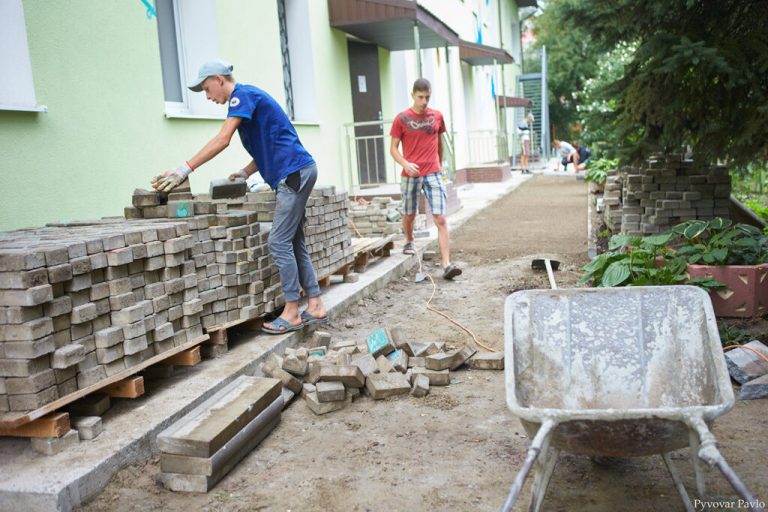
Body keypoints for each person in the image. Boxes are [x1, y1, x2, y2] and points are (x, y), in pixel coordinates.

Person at [151, 59, 327, 334]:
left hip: (294, 173)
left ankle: (292, 312)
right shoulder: (250, 100)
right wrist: (245, 172)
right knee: (293, 241)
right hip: (300, 170)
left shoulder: (241, 96)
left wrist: (184, 168)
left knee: (278, 242)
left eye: (207, 90)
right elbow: (271, 142)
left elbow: (222, 139)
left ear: (220, 80)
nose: (208, 97)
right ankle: (314, 304)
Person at [389, 78, 461, 280]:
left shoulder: (437, 116)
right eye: (420, 97)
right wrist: (405, 163)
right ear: (412, 95)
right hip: (410, 173)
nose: (424, 101)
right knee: (409, 213)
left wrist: (440, 166)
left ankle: (447, 265)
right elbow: (393, 149)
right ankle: (409, 240)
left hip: (433, 172)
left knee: (440, 218)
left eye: (427, 97)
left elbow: (439, 144)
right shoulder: (401, 119)